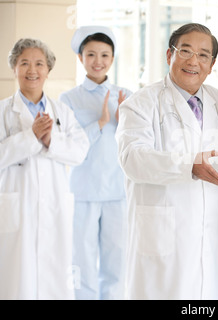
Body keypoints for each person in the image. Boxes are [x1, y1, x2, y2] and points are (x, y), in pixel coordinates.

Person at [115, 23, 218, 299]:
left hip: (213, 233)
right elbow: (132, 157)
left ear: (212, 64)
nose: (193, 61)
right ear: (169, 55)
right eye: (185, 51)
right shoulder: (141, 103)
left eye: (203, 55)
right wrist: (188, 165)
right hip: (163, 236)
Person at [0, 38, 89, 299]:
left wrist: (51, 140)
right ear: (14, 68)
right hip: (16, 207)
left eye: (39, 64)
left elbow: (80, 151)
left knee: (54, 276)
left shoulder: (62, 111)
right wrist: (30, 137)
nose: (32, 70)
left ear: (48, 71)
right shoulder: (3, 111)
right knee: (17, 277)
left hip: (54, 205)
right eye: (24, 63)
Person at [59, 26, 132, 300]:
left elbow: (135, 143)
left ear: (112, 59)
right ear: (81, 58)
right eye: (91, 54)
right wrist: (100, 123)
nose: (98, 61)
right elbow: (67, 146)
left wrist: (122, 119)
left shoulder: (126, 96)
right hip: (83, 192)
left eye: (104, 54)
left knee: (116, 261)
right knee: (83, 261)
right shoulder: (68, 99)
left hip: (117, 192)